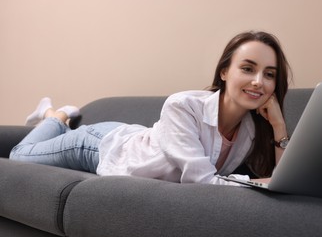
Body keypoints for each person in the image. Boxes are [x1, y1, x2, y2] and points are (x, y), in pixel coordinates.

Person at [10, 31, 291, 185]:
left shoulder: (253, 128)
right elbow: (201, 182)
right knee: (18, 156)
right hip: (98, 145)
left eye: (269, 74)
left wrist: (278, 126)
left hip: (132, 135)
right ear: (224, 73)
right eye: (247, 68)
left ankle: (56, 116)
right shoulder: (183, 106)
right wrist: (260, 185)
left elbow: (282, 180)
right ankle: (57, 115)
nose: (258, 82)